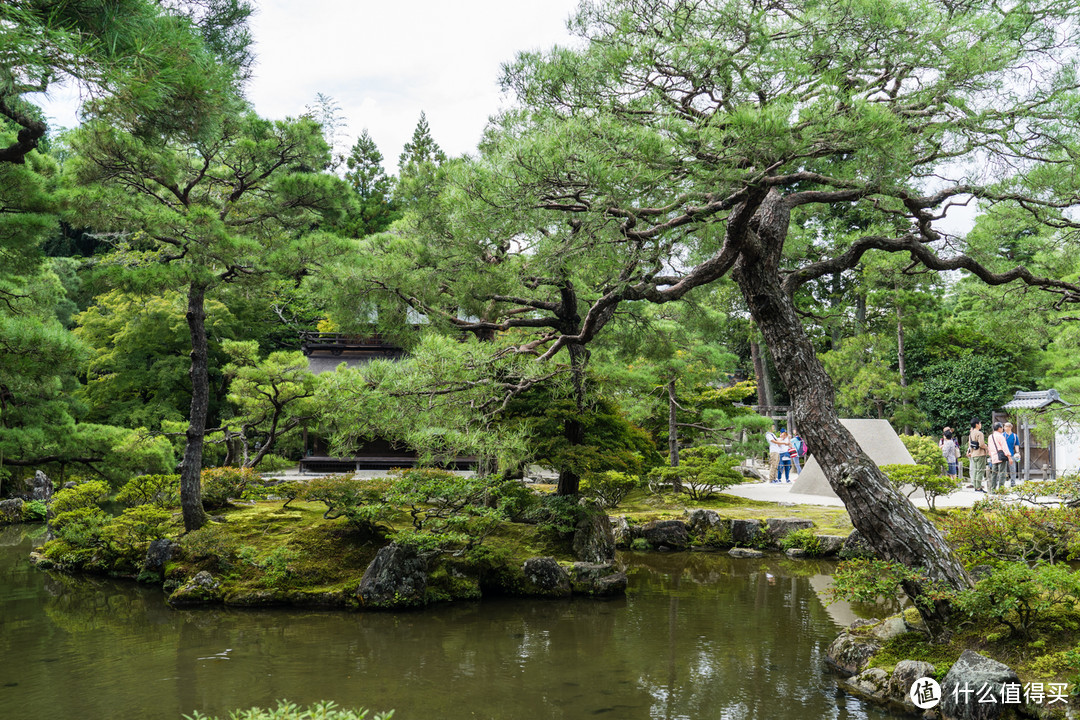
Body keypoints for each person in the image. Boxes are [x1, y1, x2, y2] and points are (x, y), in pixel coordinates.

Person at [987, 421, 1011, 492]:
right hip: (1001, 457)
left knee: (994, 474)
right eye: (1002, 427)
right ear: (999, 428)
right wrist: (1009, 457)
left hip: (994, 457)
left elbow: (989, 448)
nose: (1002, 429)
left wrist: (991, 456)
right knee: (1002, 473)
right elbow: (1004, 447)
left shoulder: (990, 437)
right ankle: (1001, 489)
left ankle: (993, 489)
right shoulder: (1001, 436)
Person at [967, 419, 987, 491]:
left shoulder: (971, 433)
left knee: (975, 470)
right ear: (977, 424)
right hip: (980, 453)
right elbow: (981, 444)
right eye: (980, 423)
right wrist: (987, 447)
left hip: (973, 454)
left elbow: (970, 444)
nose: (981, 425)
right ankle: (978, 487)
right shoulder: (979, 433)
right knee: (980, 470)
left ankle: (975, 486)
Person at [1003, 422, 1020, 486]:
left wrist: (1017, 452)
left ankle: (1013, 483)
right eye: (1004, 426)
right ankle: (1003, 483)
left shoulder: (1015, 436)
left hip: (1012, 454)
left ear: (1010, 427)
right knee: (1003, 469)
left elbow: (1016, 445)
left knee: (1013, 469)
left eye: (1006, 426)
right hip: (1004, 455)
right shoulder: (1002, 435)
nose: (1004, 428)